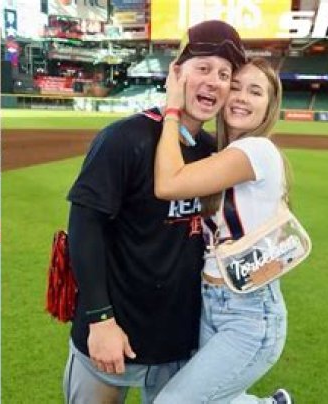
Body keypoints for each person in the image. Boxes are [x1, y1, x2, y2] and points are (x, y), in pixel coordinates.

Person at [62, 20, 246, 403]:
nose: (214, 82)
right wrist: (100, 319)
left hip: (180, 348)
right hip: (112, 336)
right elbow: (84, 227)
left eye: (224, 74)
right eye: (203, 68)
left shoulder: (215, 154)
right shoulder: (123, 139)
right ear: (176, 73)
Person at [152, 58, 292, 404]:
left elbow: (168, 184)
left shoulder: (256, 149)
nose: (242, 97)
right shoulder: (226, 152)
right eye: (237, 87)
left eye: (255, 92)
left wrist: (173, 110)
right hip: (213, 300)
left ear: (269, 107)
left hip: (249, 312)